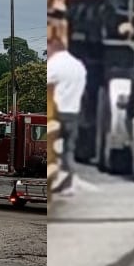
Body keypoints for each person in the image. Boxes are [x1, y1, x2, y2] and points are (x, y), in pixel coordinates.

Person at [47, 37, 86, 196]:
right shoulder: (79, 65)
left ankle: (51, 183)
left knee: (52, 151)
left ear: (53, 47)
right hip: (73, 112)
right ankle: (69, 184)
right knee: (68, 151)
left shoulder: (55, 64)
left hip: (57, 112)